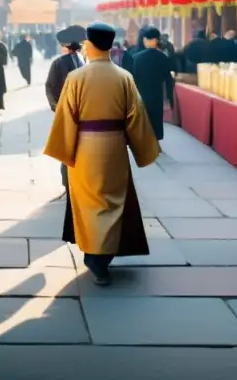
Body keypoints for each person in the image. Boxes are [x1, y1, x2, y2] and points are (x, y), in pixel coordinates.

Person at [44, 21, 160, 286]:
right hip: (114, 146)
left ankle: (93, 255)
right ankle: (103, 258)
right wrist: (143, 149)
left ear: (90, 44)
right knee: (112, 200)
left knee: (88, 203)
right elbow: (136, 118)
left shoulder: (75, 78)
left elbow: (66, 116)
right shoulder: (124, 77)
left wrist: (64, 149)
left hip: (85, 147)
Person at [45, 25, 87, 190]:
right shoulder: (59, 63)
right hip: (66, 109)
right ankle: (67, 182)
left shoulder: (83, 61)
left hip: (81, 110)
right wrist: (56, 106)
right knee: (67, 147)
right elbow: (49, 86)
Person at [132, 26, 175, 141]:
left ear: (154, 40)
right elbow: (168, 80)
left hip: (140, 95)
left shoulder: (136, 58)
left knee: (142, 122)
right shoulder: (163, 58)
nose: (144, 42)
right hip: (157, 95)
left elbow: (132, 79)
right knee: (155, 120)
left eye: (146, 40)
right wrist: (170, 99)